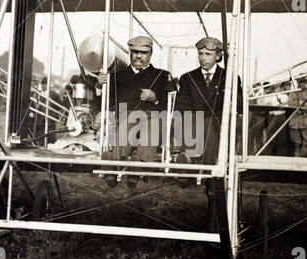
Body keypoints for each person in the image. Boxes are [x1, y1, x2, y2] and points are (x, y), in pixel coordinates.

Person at [175, 37, 242, 232]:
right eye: (201, 54)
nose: (203, 58)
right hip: (195, 127)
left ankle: (189, 162)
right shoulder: (188, 78)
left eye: (208, 54)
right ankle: (213, 180)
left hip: (219, 129)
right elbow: (182, 106)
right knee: (201, 123)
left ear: (218, 56)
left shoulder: (230, 78)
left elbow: (235, 107)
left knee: (209, 125)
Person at [97, 35, 174, 189]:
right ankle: (116, 164)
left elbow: (173, 104)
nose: (139, 56)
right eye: (135, 52)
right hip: (128, 116)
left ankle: (132, 167)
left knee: (151, 130)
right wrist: (100, 86)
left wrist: (156, 98)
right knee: (126, 125)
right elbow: (104, 102)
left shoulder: (162, 75)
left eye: (143, 52)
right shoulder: (118, 77)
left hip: (154, 116)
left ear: (151, 54)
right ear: (130, 53)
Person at [287, 78, 307, 157]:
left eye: (303, 82)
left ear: (306, 83)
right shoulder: (293, 93)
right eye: (300, 82)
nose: (301, 84)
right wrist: (302, 103)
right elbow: (289, 104)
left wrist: (299, 104)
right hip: (295, 120)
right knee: (296, 145)